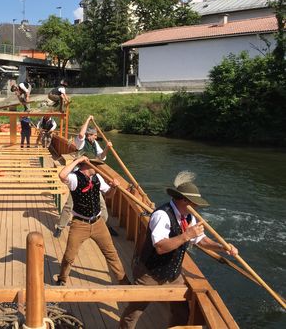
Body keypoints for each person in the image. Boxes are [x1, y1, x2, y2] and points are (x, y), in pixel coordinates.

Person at [119, 171, 239, 328]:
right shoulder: (162, 215)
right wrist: (186, 235)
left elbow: (201, 241)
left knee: (182, 313)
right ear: (183, 200)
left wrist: (222, 247)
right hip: (150, 272)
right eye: (194, 202)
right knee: (134, 311)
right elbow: (160, 247)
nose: (196, 206)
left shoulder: (189, 216)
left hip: (172, 272)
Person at [56, 156, 129, 286]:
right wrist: (77, 161)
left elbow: (108, 195)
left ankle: (124, 281)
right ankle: (62, 279)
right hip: (79, 224)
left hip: (98, 223)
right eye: (95, 165)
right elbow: (62, 175)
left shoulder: (97, 178)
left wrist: (114, 188)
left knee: (111, 253)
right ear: (87, 164)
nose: (98, 168)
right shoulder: (74, 178)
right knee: (69, 256)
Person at [54, 115, 113, 238]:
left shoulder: (95, 143)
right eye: (94, 135)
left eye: (96, 135)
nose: (96, 137)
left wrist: (107, 148)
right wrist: (87, 119)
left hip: (92, 173)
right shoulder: (81, 142)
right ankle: (60, 227)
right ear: (89, 135)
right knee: (70, 205)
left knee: (101, 203)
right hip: (80, 175)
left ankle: (103, 226)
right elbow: (81, 134)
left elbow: (102, 157)